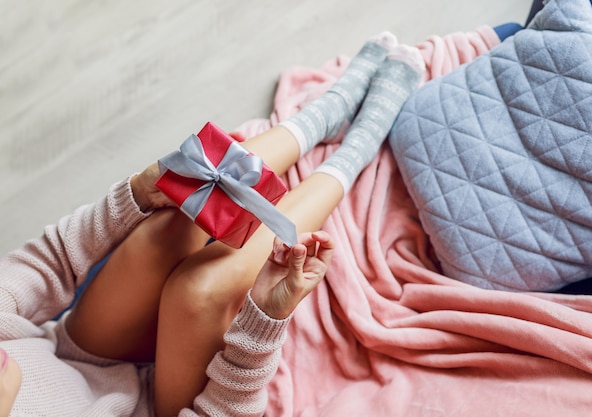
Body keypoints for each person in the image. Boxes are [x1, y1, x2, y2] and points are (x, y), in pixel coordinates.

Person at [0, 31, 425, 416]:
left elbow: (49, 263)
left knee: (178, 210)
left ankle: (322, 115)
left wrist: (135, 193)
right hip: (159, 409)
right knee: (203, 287)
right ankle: (360, 147)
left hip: (81, 352)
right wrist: (264, 321)